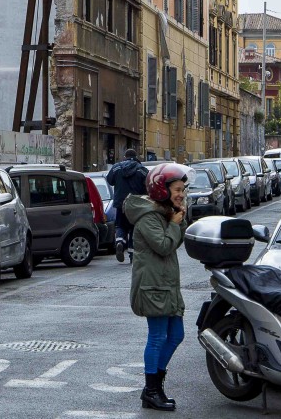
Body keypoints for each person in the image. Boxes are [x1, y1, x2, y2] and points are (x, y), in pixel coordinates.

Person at [125, 162, 190, 412]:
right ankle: (151, 391)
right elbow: (164, 246)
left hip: (166, 285)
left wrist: (178, 219)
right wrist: (174, 223)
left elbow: (175, 241)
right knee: (157, 337)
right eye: (177, 189)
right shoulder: (148, 217)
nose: (181, 194)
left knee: (176, 335)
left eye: (182, 189)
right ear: (161, 189)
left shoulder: (164, 214)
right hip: (153, 287)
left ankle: (155, 387)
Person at [107, 147, 147, 262]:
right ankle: (132, 254)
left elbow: (110, 180)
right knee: (134, 228)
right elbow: (147, 185)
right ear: (136, 157)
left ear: (125, 157)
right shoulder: (141, 169)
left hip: (120, 203)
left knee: (120, 225)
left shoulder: (116, 167)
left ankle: (120, 241)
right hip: (136, 204)